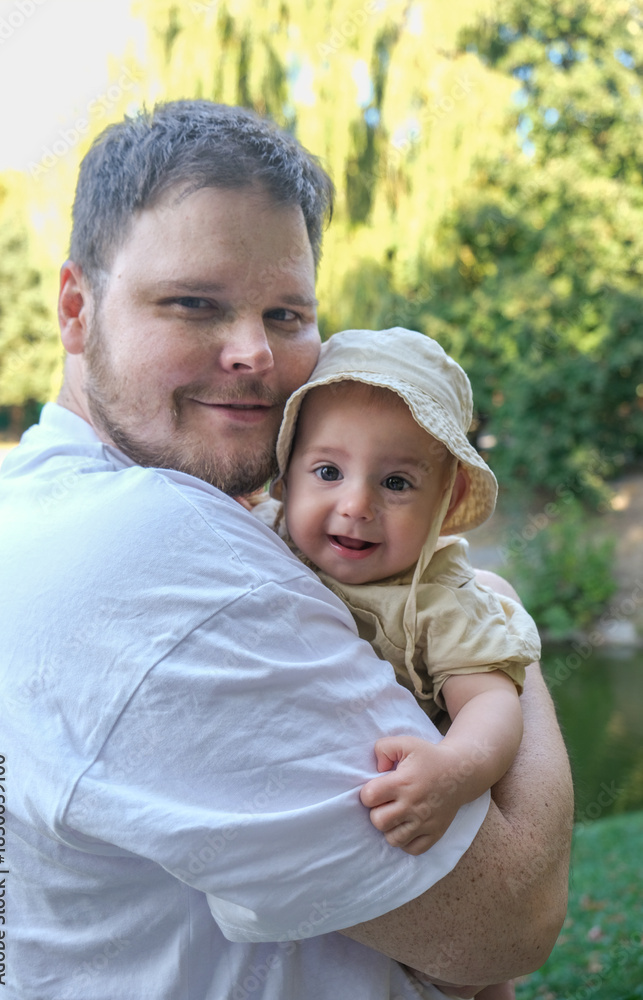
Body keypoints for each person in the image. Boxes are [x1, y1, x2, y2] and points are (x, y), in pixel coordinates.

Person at [0, 100, 572, 1000]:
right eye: (194, 304)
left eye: (287, 313)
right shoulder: (153, 559)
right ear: (75, 307)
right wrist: (499, 626)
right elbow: (508, 921)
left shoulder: (34, 505)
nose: (254, 352)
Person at [252, 326, 544, 1000]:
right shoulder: (261, 541)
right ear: (285, 472)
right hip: (329, 846)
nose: (356, 504)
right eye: (327, 472)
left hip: (429, 814)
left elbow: (493, 702)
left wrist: (456, 768)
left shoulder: (441, 601)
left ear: (444, 503)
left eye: (396, 482)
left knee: (461, 975)